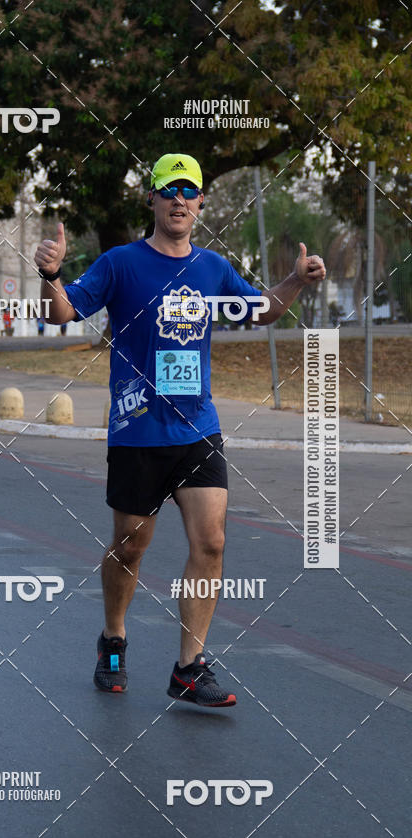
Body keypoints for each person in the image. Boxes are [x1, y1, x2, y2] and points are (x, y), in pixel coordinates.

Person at [34, 153, 325, 707]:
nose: (179, 199)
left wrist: (296, 279)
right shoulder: (121, 262)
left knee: (211, 542)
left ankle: (189, 667)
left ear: (198, 204)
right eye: (168, 190)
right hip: (138, 428)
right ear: (152, 200)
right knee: (131, 544)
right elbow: (63, 313)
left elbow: (258, 310)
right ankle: (113, 639)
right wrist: (49, 275)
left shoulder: (213, 268)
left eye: (188, 191)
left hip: (198, 427)